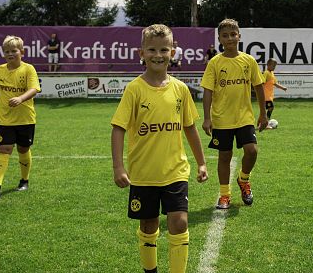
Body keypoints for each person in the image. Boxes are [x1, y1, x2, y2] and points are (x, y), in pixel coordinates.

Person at [111, 24, 208, 273]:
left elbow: (189, 127)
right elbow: (118, 128)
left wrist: (201, 162)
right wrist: (119, 166)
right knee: (148, 225)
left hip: (175, 171)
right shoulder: (134, 89)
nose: (158, 54)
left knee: (179, 222)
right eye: (152, 49)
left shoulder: (180, 89)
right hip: (143, 174)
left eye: (164, 49)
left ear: (172, 52)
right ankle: (150, 270)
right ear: (141, 53)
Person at [200, 18, 268, 210]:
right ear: (219, 39)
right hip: (222, 119)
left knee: (252, 150)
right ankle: (224, 195)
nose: (230, 38)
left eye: (233, 34)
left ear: (239, 36)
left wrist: (263, 114)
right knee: (224, 156)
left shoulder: (249, 61)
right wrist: (207, 118)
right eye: (225, 35)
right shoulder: (214, 62)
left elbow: (259, 87)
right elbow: (208, 91)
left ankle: (244, 180)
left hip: (244, 117)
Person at [0, 35, 41, 200]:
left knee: (23, 149)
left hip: (26, 119)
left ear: (22, 52)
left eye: (13, 51)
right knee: (4, 149)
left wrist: (21, 98)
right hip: (5, 119)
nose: (10, 54)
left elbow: (34, 89)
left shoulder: (28, 69)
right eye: (7, 51)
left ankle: (24, 180)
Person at [262, 58, 287, 122]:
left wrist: (283, 88)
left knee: (267, 109)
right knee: (270, 108)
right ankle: (266, 122)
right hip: (265, 96)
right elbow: (262, 83)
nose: (274, 67)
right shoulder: (266, 73)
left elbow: (275, 84)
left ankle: (264, 122)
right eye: (273, 65)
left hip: (269, 96)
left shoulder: (272, 73)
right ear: (268, 65)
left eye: (275, 66)